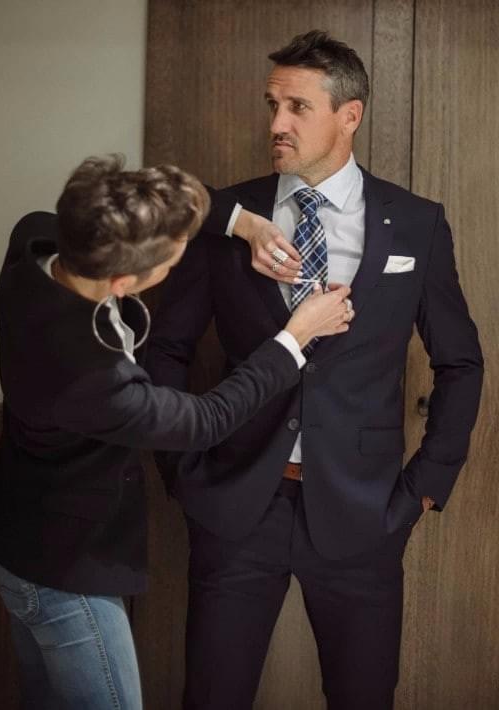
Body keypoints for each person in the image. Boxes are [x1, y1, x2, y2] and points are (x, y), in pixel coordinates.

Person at [146, 30, 484, 710]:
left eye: (297, 107)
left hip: (365, 516)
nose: (277, 123)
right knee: (211, 696)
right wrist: (183, 471)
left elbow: (460, 363)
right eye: (272, 104)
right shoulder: (229, 218)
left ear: (349, 115)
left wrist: (422, 489)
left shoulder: (416, 224)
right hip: (236, 507)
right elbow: (165, 349)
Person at [0, 154, 353, 710]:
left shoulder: (36, 240)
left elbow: (161, 201)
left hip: (9, 530)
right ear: (126, 282)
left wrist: (245, 223)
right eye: (172, 260)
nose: (178, 260)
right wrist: (294, 338)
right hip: (60, 567)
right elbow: (206, 420)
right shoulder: (91, 378)